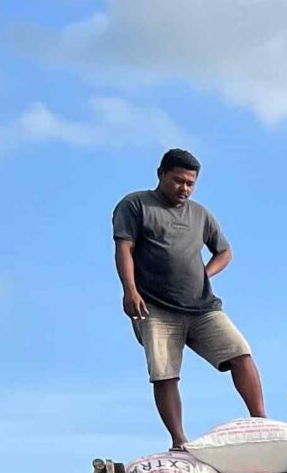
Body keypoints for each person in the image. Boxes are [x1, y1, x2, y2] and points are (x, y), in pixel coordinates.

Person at [112, 148, 262, 450]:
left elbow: (224, 251)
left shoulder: (200, 214)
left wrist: (207, 273)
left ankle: (261, 421)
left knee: (240, 352)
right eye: (178, 181)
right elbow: (124, 248)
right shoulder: (136, 205)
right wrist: (130, 289)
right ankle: (179, 439)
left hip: (202, 306)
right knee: (164, 371)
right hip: (155, 306)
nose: (184, 188)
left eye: (190, 183)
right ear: (161, 174)